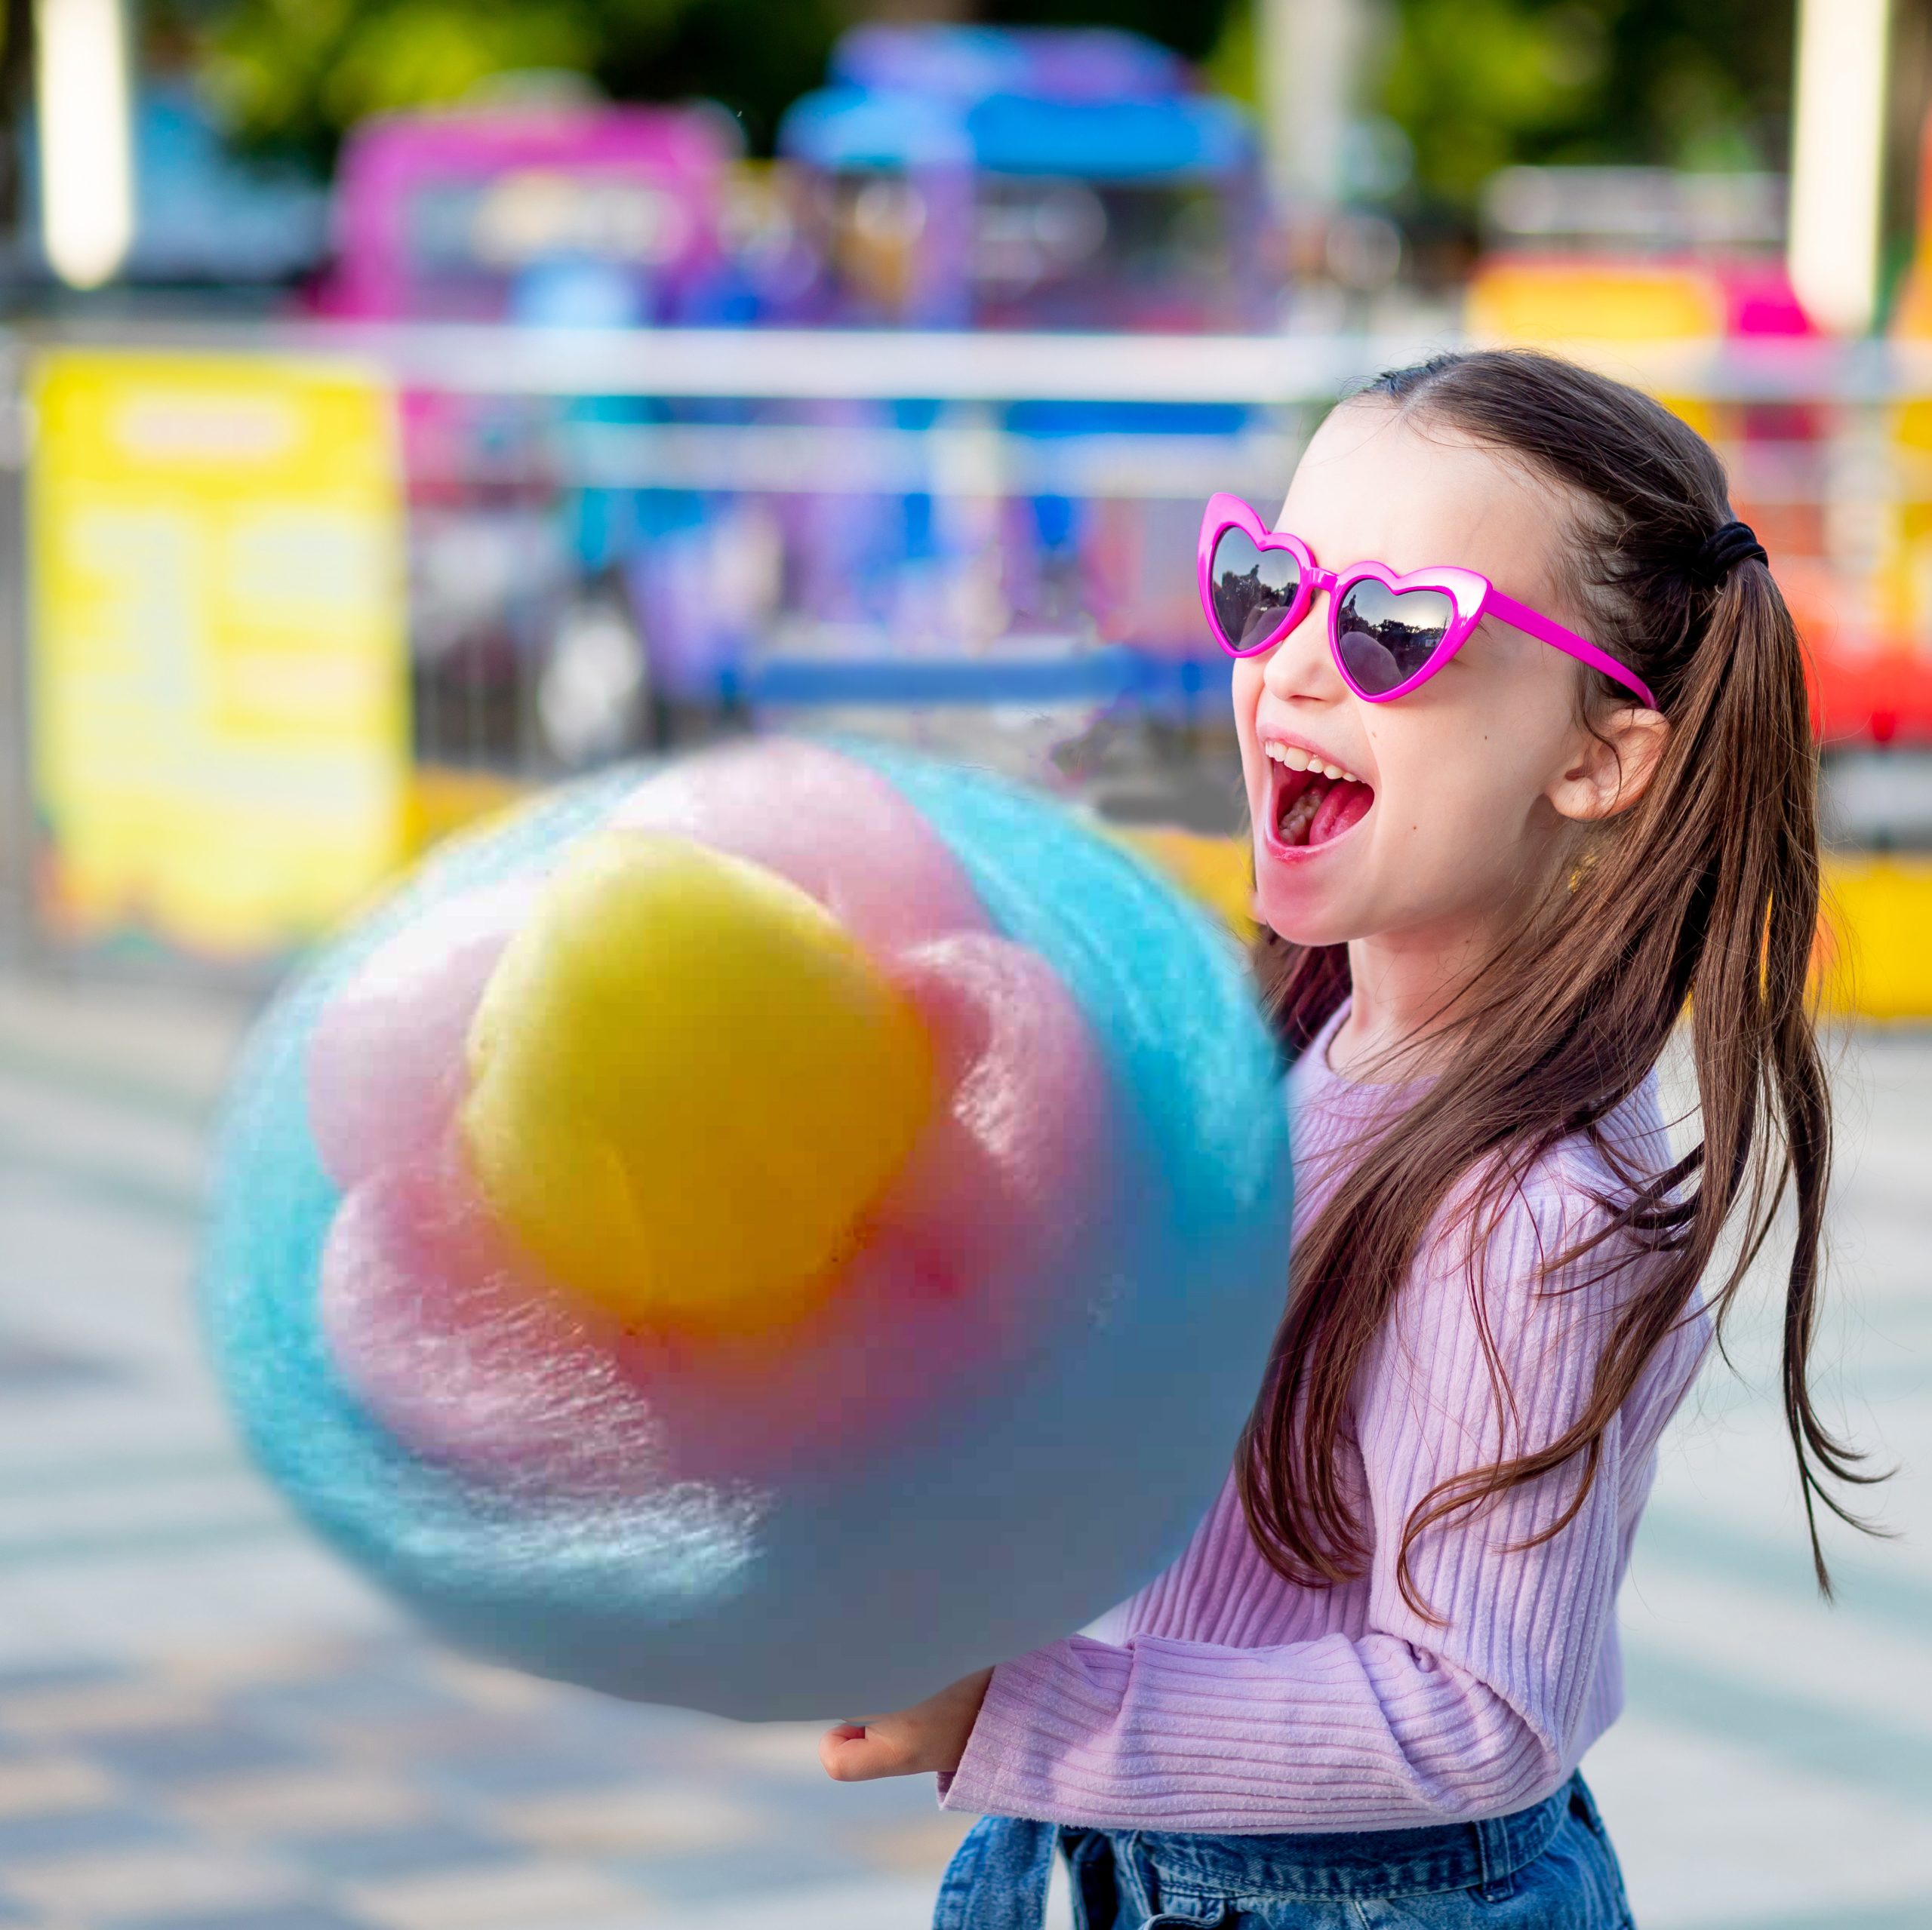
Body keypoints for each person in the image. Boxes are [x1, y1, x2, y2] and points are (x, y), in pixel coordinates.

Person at [817, 349, 1878, 1928]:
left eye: (1390, 627)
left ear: (1595, 756)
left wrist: (1009, 1710)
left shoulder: (1530, 1212)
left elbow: (1479, 1715)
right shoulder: (1305, 1032)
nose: (1296, 666)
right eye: (1268, 585)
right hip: (1133, 1860)